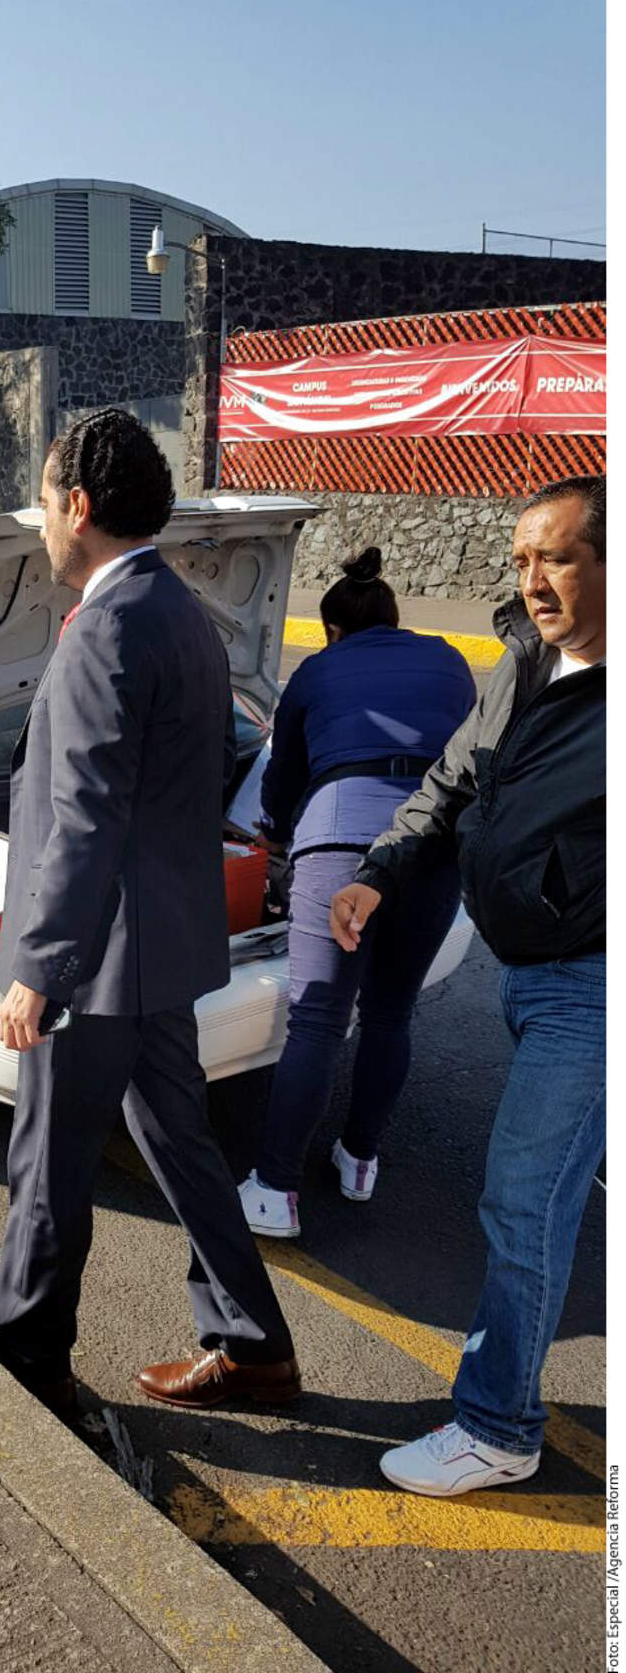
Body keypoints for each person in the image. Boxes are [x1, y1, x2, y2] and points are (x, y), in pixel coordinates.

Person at [0, 407, 299, 1422]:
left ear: (76, 506)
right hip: (159, 946)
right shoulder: (181, 611)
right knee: (180, 1143)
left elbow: (83, 819)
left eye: (43, 501)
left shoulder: (105, 628)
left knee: (47, 1166)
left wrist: (40, 968)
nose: (40, 521)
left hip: (96, 962)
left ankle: (28, 1364)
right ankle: (253, 1346)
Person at [330, 476, 605, 1497]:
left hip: (592, 984)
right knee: (551, 1193)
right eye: (521, 560)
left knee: (523, 1199)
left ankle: (496, 1428)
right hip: (528, 972)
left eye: (556, 558)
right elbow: (451, 779)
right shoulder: (524, 659)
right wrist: (376, 870)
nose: (531, 581)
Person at [238, 548, 476, 1238]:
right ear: (395, 618)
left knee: (317, 1020)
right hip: (434, 848)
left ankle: (274, 1190)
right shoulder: (450, 660)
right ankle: (360, 1159)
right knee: (391, 1013)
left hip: (341, 846)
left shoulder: (318, 669)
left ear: (334, 631)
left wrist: (272, 838)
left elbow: (283, 777)